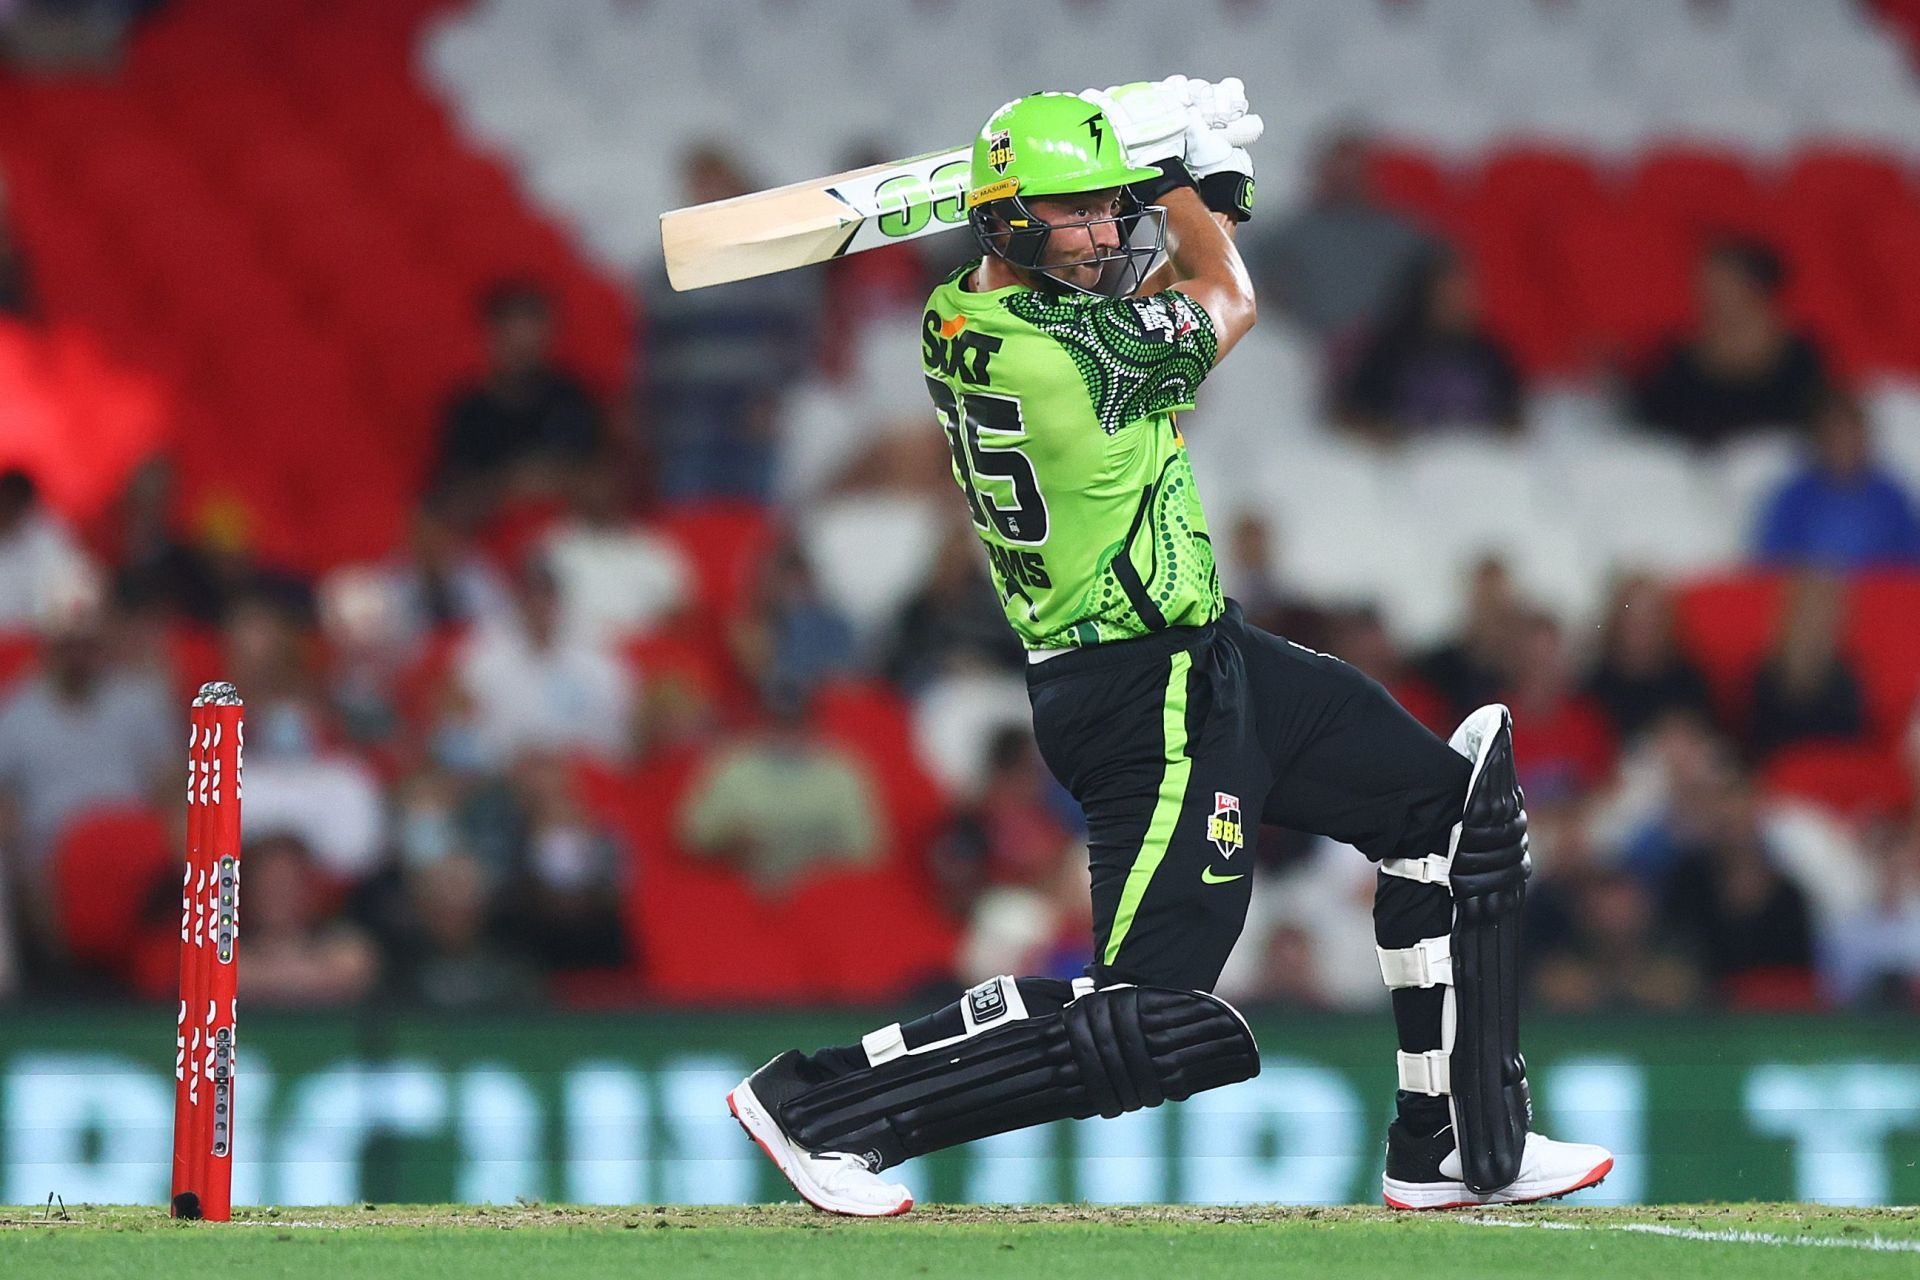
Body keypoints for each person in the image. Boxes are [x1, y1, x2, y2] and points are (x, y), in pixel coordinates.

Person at [726, 82, 1609, 1217]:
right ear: (1007, 223)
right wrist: (1194, 185)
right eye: (1078, 215)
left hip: (1209, 657)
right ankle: (821, 1106)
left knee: (1451, 821)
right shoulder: (1065, 357)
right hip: (1141, 695)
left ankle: (1455, 1142)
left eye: (1110, 208)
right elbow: (1225, 296)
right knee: (1149, 1017)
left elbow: (1139, 297)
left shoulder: (958, 313)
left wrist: (1170, 184)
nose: (1104, 233)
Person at [432, 281, 604, 523]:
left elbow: (604, 475)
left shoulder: (574, 399)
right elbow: (451, 492)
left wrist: (560, 479)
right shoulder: (469, 411)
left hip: (571, 532)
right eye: (514, 333)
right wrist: (507, 483)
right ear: (493, 335)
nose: (524, 345)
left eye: (533, 331)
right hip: (492, 537)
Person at [1632, 239, 1829, 446]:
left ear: (1755, 286)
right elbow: (1650, 423)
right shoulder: (1678, 358)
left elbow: (1822, 419)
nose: (1709, 291)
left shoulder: (1801, 356)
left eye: (1723, 281)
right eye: (1705, 281)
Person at [1335, 246, 1524, 440]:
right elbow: (1351, 416)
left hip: (1476, 462)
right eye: (1447, 296)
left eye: (1464, 295)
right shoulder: (1389, 352)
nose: (1458, 304)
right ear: (1426, 294)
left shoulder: (1491, 355)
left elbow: (1514, 422)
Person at [1755, 391, 1920, 571]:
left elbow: (1911, 560)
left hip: (1882, 594)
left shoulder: (1890, 497)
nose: (1844, 444)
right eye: (1835, 435)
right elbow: (1772, 561)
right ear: (1819, 440)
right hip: (1811, 593)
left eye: (1852, 435)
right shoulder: (1794, 498)